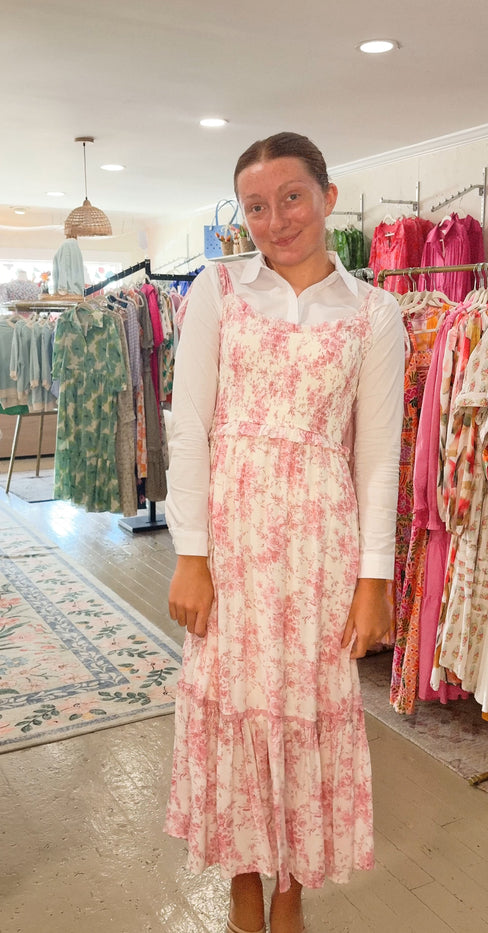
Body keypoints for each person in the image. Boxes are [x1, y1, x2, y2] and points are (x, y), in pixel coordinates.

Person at [164, 131, 405, 933]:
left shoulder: (374, 312)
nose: (276, 220)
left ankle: (292, 885)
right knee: (231, 700)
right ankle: (242, 874)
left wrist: (373, 580)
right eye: (257, 206)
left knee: (306, 706)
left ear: (327, 197)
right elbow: (188, 428)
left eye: (291, 197)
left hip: (318, 548)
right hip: (230, 541)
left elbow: (377, 455)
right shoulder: (217, 291)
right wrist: (190, 555)